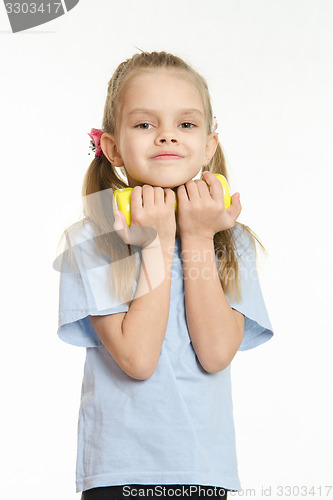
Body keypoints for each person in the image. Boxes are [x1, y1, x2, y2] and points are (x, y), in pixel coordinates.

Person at [55, 51, 274, 500]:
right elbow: (137, 359)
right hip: (119, 474)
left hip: (204, 471)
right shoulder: (92, 237)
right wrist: (156, 244)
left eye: (186, 124)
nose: (167, 136)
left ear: (209, 145)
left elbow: (215, 354)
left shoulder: (231, 240)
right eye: (145, 124)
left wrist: (195, 237)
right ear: (112, 146)